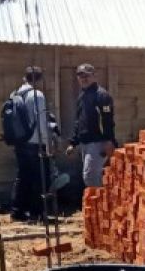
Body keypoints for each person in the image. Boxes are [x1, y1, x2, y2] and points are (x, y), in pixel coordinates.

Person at [8, 66, 58, 221]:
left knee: (23, 177)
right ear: (40, 79)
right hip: (35, 142)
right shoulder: (37, 95)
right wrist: (48, 142)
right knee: (40, 178)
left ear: (25, 78)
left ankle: (17, 211)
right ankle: (37, 213)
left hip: (20, 142)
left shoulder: (17, 94)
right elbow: (41, 121)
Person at [66, 63, 116, 187]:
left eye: (87, 76)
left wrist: (109, 141)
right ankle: (99, 203)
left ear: (94, 76)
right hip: (85, 143)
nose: (84, 79)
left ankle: (99, 204)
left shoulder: (102, 95)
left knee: (90, 177)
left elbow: (107, 120)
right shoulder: (82, 96)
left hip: (98, 143)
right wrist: (73, 142)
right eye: (81, 76)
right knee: (92, 176)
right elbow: (79, 121)